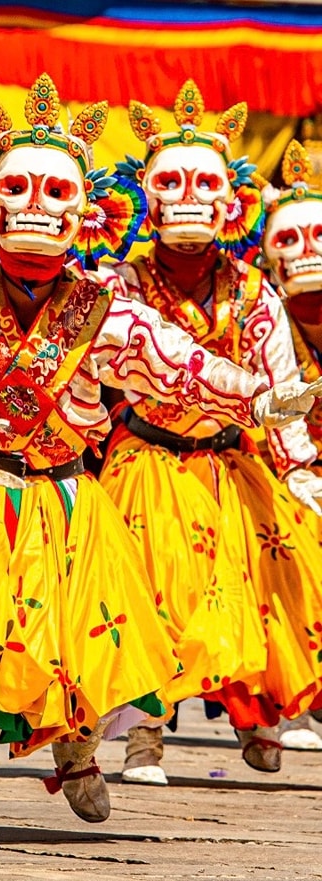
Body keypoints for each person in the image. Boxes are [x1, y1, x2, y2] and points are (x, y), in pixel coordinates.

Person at [0, 74, 321, 849]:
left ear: (88, 212)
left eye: (55, 191)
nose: (35, 206)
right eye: (17, 188)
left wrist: (259, 399)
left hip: (71, 507)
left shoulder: (104, 308)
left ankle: (78, 749)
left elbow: (182, 365)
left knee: (102, 648)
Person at [98, 81, 322, 786]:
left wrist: (300, 470)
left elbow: (280, 384)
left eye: (206, 183)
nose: (189, 198)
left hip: (230, 465)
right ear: (146, 198)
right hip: (147, 462)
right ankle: (144, 739)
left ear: (232, 202)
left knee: (258, 586)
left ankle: (257, 714)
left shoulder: (254, 291)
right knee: (152, 595)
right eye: (172, 182)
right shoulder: (118, 284)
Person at [261, 138, 322, 749]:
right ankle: (293, 706)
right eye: (290, 239)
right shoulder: (264, 315)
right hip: (284, 466)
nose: (308, 252)